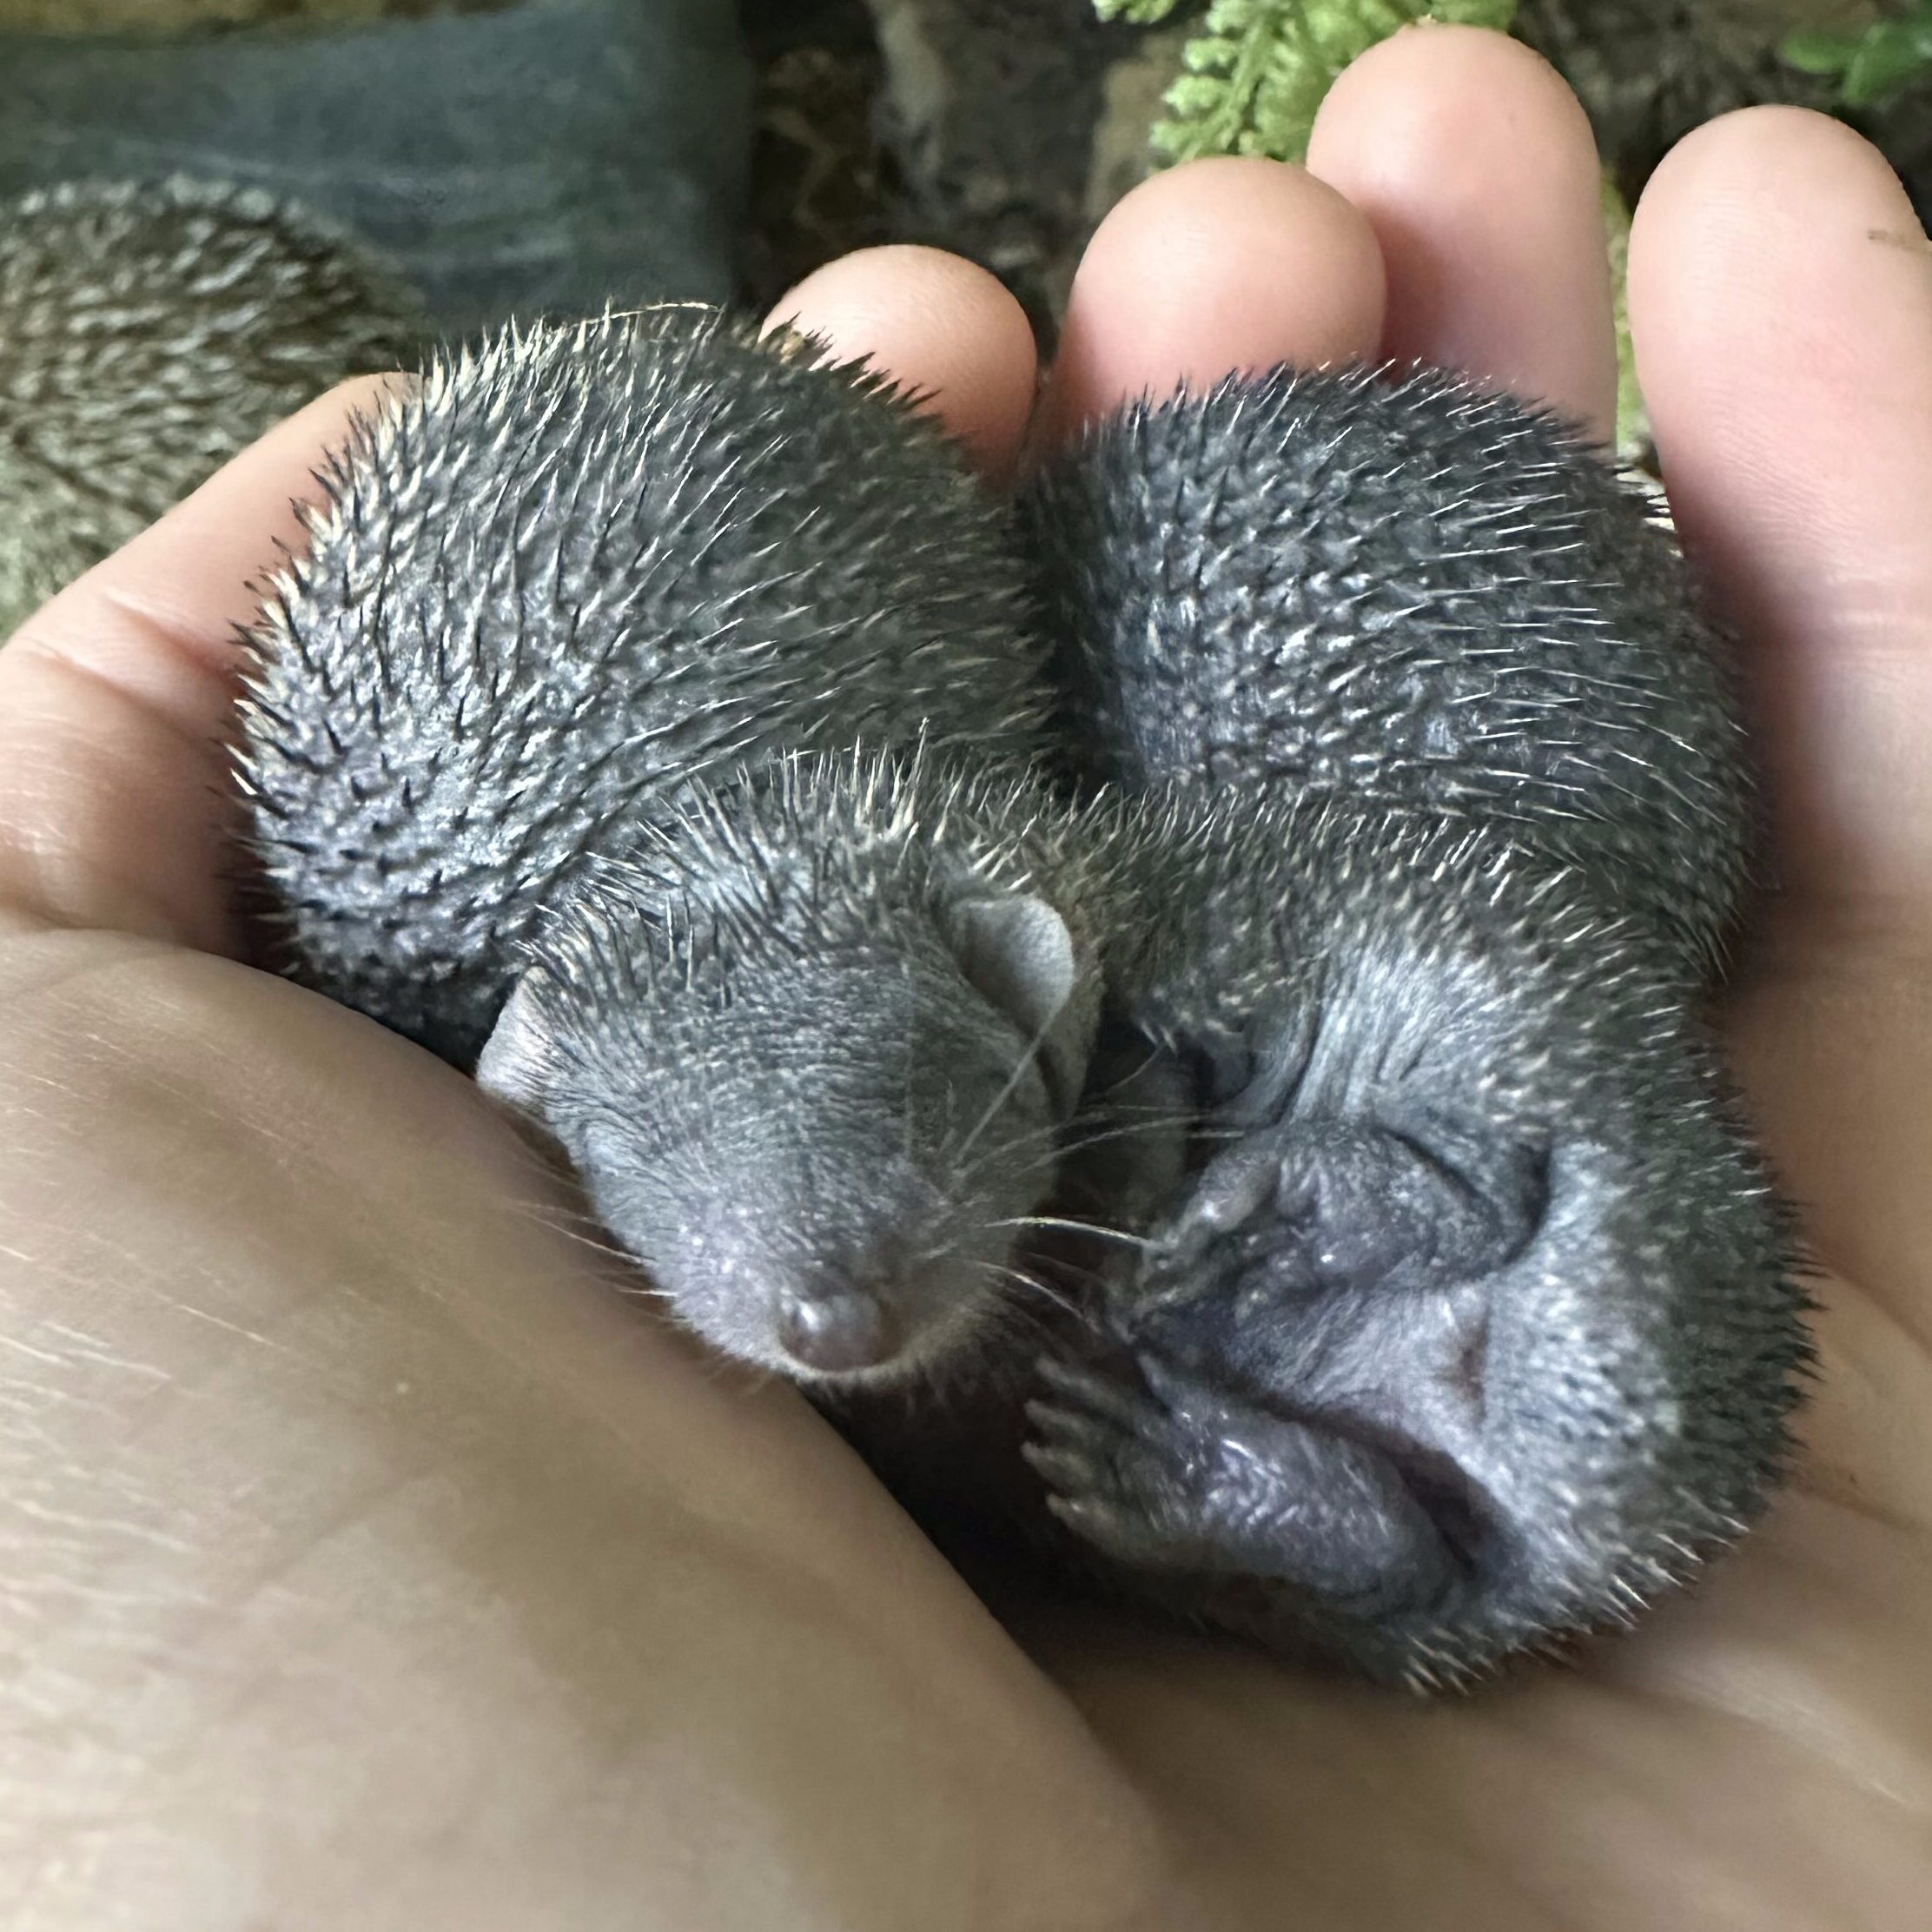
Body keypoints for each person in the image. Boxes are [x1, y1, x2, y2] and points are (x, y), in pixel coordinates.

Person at [1, 26, 1927, 1929]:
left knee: (1461, 1366)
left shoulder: (1195, 964)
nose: (822, 1319)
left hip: (1439, 1201)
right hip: (1333, 1265)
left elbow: (1419, 1087)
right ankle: (1373, 1531)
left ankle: (1387, 1521)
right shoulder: (951, 1024)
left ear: (1029, 988)